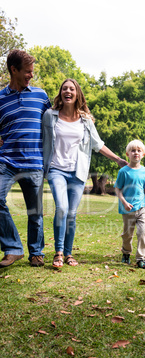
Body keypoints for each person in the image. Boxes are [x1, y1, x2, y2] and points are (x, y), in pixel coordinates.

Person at [42, 78, 127, 268]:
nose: (68, 91)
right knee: (62, 208)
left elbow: (98, 145)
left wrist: (118, 160)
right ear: (60, 93)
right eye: (64, 88)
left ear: (77, 93)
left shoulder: (86, 121)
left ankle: (69, 253)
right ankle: (58, 252)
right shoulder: (50, 115)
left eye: (72, 89)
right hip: (56, 169)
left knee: (71, 213)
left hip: (78, 173)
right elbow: (39, 138)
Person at [0, 49, 51, 268]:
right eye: (27, 72)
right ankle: (13, 249)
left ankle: (36, 252)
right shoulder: (0, 99)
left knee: (35, 212)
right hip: (7, 162)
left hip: (34, 163)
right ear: (14, 70)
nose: (31, 75)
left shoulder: (41, 96)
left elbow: (55, 122)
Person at [114, 140, 145, 269]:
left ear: (143, 154)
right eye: (133, 150)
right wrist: (124, 202)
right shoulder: (124, 172)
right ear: (127, 154)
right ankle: (126, 254)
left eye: (139, 150)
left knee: (143, 232)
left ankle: (141, 259)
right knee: (127, 234)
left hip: (142, 207)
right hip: (127, 209)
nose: (136, 153)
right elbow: (118, 189)